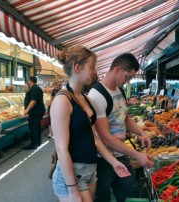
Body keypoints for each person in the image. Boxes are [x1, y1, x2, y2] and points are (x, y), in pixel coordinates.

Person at [51, 46, 131, 202]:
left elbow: (94, 139)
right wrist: (72, 188)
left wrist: (114, 162)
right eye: (91, 67)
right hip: (73, 175)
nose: (94, 72)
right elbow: (61, 149)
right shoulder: (62, 100)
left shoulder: (86, 99)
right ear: (78, 68)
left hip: (90, 171)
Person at [88, 53, 154, 202]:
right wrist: (137, 155)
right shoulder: (97, 95)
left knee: (130, 193)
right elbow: (105, 136)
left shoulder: (120, 90)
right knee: (102, 197)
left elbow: (124, 117)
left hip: (120, 153)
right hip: (103, 159)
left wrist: (141, 132)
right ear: (117, 69)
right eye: (127, 77)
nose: (128, 81)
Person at [23, 76, 46, 150]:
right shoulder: (37, 88)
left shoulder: (34, 89)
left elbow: (33, 101)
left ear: (30, 81)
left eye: (28, 81)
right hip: (39, 110)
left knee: (33, 127)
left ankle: (33, 144)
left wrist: (27, 110)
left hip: (35, 111)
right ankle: (38, 142)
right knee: (37, 126)